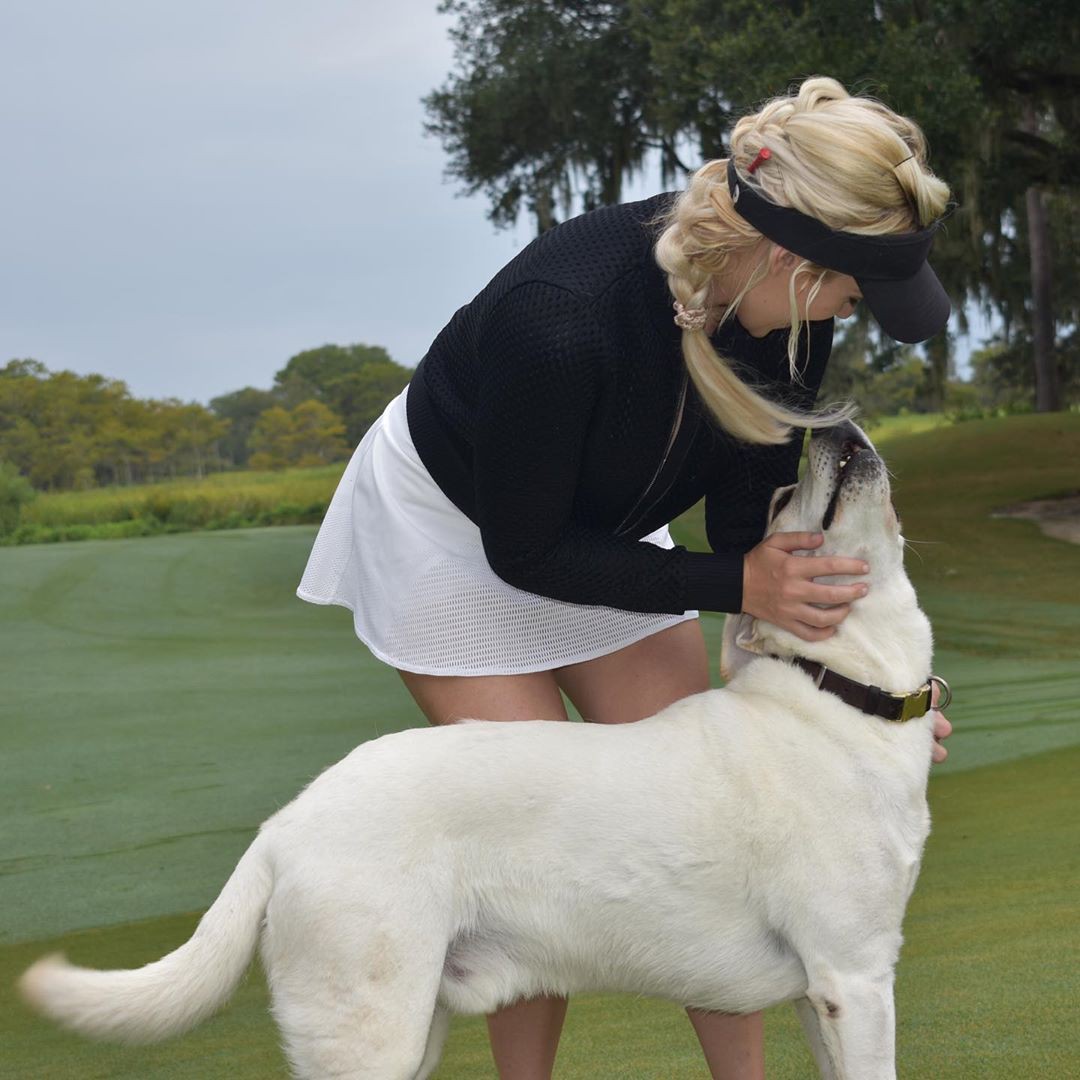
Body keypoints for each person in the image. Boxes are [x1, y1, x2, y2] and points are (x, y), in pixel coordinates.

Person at [297, 74, 954, 1080]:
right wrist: (733, 584)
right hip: (456, 537)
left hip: (600, 528)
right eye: (848, 288)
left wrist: (871, 713)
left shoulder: (791, 313)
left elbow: (756, 529)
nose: (848, 312)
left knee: (696, 830)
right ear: (788, 251)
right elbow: (528, 549)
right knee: (532, 835)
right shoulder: (560, 318)